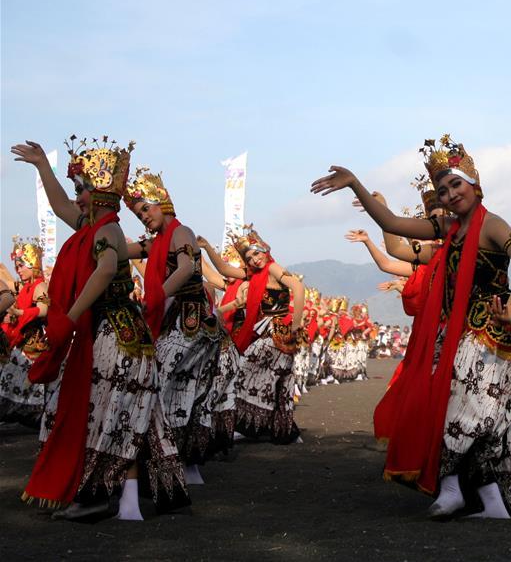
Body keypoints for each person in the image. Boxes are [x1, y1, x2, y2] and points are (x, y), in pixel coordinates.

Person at [311, 134, 511, 518]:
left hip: (489, 338)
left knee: (464, 414)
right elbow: (393, 230)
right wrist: (356, 185)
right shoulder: (448, 234)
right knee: (457, 413)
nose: (451, 194)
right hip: (458, 337)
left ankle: (453, 489)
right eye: (443, 190)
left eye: (456, 184)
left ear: (474, 183)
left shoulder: (492, 225)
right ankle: (491, 504)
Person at [12, 137, 188, 520]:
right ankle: (126, 503)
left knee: (107, 415)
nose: (76, 198)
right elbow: (59, 206)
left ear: (101, 194)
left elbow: (106, 269)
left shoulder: (107, 232)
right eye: (77, 189)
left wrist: (70, 317)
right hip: (117, 333)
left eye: (82, 190)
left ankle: (97, 496)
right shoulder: (94, 227)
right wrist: (43, 165)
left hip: (116, 336)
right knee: (131, 415)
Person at [125, 168, 223, 483]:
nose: (143, 217)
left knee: (157, 384)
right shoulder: (157, 242)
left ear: (162, 202)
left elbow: (184, 268)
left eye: (145, 209)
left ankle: (161, 462)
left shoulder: (182, 233)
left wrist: (155, 297)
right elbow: (125, 250)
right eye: (138, 214)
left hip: (191, 322)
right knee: (185, 392)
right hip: (180, 321)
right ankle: (188, 465)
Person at [203, 225, 306, 444]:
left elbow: (297, 286)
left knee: (245, 368)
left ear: (265, 250)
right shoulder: (254, 274)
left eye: (256, 253)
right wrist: (206, 249)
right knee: (277, 380)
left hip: (278, 330)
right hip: (270, 332)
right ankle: (283, 430)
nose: (254, 260)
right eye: (249, 257)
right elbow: (224, 270)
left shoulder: (272, 268)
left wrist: (295, 325)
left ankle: (252, 427)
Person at [0, 237, 49, 427]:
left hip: (32, 346)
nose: (18, 270)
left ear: (33, 265)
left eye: (21, 266)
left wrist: (20, 312)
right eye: (17, 266)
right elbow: (6, 286)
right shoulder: (24, 286)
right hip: (19, 342)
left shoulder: (39, 286)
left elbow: (45, 308)